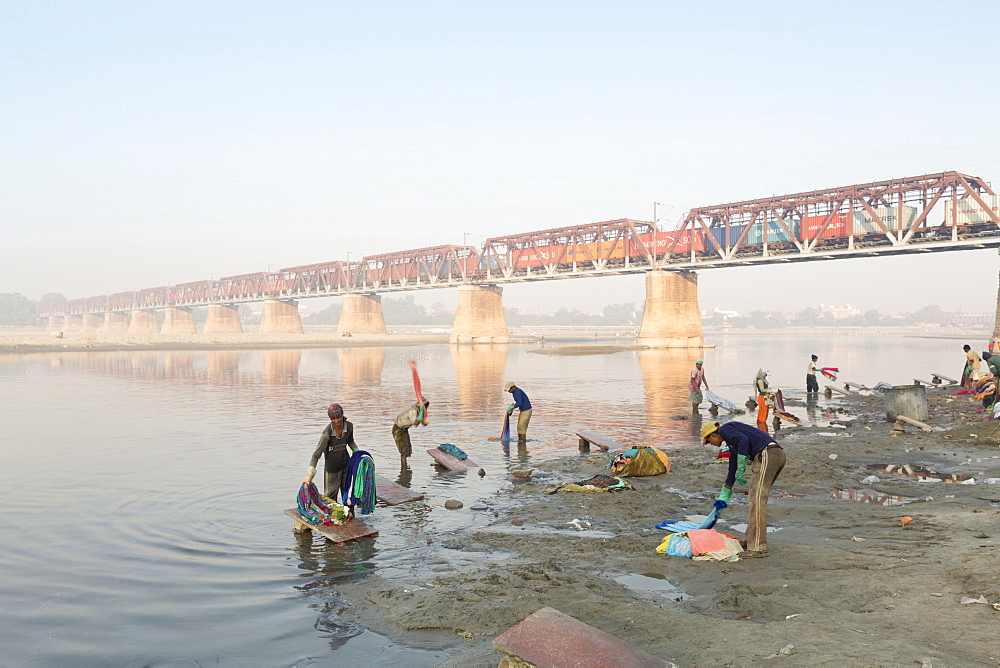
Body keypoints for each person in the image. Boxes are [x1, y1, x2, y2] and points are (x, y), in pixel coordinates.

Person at [703, 420, 785, 558]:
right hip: (773, 455)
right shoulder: (731, 443)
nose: (711, 444)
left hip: (769, 454)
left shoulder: (725, 429)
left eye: (709, 441)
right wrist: (725, 493)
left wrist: (742, 465)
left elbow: (744, 441)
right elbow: (732, 468)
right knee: (754, 498)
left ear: (713, 435)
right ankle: (751, 540)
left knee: (758, 499)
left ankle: (758, 546)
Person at [305, 403, 357, 509]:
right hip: (332, 468)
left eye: (338, 417)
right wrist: (310, 472)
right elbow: (316, 455)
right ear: (330, 419)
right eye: (333, 418)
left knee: (348, 495)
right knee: (330, 497)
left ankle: (350, 517)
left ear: (342, 415)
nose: (337, 420)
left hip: (346, 465)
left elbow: (350, 441)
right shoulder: (327, 434)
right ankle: (332, 520)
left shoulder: (349, 426)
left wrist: (357, 452)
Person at [393, 399, 430, 466]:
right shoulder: (414, 412)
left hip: (404, 429)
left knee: (407, 449)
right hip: (398, 429)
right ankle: (404, 469)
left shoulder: (418, 410)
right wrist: (422, 411)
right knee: (403, 451)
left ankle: (407, 469)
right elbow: (416, 424)